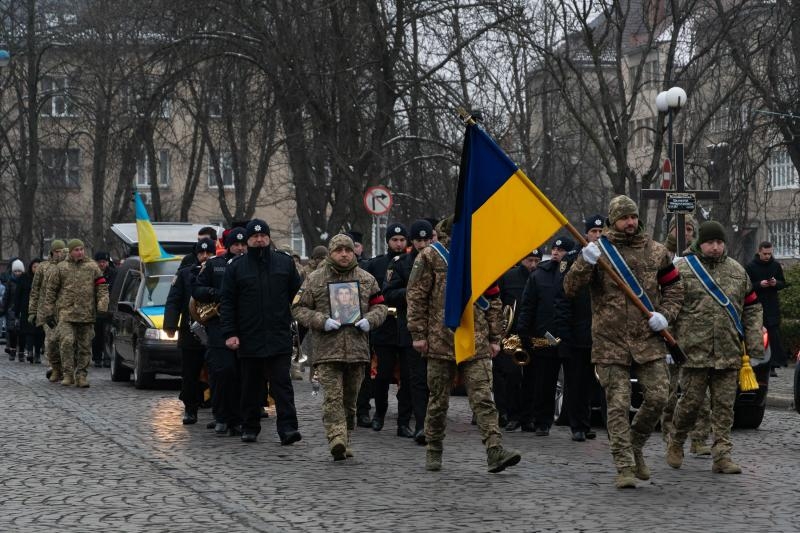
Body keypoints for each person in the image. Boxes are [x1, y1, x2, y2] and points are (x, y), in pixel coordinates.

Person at [563, 195, 683, 488]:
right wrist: (583, 263)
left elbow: (675, 288)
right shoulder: (597, 252)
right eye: (623, 218)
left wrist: (665, 316)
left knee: (658, 396)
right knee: (617, 404)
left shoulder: (657, 252)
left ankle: (636, 443)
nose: (630, 223)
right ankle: (624, 466)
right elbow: (569, 288)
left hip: (648, 338)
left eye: (633, 217)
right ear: (612, 221)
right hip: (610, 341)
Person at [406, 216, 521, 474]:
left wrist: (494, 337)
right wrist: (418, 334)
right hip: (440, 340)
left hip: (476, 341)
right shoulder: (430, 257)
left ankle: (495, 450)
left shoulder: (479, 257)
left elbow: (492, 300)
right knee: (438, 400)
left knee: (483, 398)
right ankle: (434, 449)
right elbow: (416, 297)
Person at [666, 221, 763, 474]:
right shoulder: (683, 269)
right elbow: (669, 305)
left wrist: (753, 346)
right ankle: (676, 441)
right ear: (700, 243)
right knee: (690, 403)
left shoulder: (737, 271)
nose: (716, 247)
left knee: (724, 408)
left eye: (720, 242)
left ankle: (722, 455)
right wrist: (668, 343)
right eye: (710, 242)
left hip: (729, 352)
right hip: (693, 351)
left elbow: (752, 308)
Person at [292, 233, 387, 460]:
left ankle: (347, 437)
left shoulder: (366, 279)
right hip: (327, 350)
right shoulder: (314, 279)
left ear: (354, 252)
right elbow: (298, 309)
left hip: (357, 350)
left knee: (350, 400)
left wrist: (370, 320)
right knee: (332, 397)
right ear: (331, 253)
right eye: (338, 250)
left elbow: (381, 307)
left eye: (347, 250)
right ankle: (336, 438)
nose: (344, 254)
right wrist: (321, 320)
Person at [220, 219, 303, 444]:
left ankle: (288, 428)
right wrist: (230, 333)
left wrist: (302, 324)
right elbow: (227, 303)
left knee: (282, 385)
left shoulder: (284, 264)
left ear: (268, 238)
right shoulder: (236, 267)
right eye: (254, 237)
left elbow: (298, 297)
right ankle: (249, 426)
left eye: (263, 236)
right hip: (248, 336)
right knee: (250, 385)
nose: (259, 240)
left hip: (278, 335)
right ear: (248, 240)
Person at [660, 216, 711, 455]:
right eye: (680, 229)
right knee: (668, 393)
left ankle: (699, 438)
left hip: (694, 334)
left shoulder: (698, 260)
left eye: (690, 229)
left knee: (697, 393)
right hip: (668, 331)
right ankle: (669, 435)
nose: (685, 233)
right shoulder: (659, 255)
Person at [552, 215, 605, 441]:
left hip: (600, 332)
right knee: (574, 381)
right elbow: (563, 297)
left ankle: (587, 422)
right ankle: (577, 425)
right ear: (586, 234)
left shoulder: (609, 259)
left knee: (593, 382)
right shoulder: (573, 259)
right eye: (594, 232)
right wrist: (564, 332)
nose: (598, 236)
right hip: (576, 330)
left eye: (601, 232)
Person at [383, 219, 434, 443]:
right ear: (412, 242)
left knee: (433, 380)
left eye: (426, 240)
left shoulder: (440, 262)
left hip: (435, 330)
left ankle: (428, 424)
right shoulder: (401, 264)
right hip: (410, 329)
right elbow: (388, 294)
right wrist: (413, 292)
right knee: (412, 378)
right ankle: (407, 422)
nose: (422, 244)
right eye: (418, 240)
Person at [193, 227, 248, 436]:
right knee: (222, 372)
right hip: (218, 326)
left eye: (243, 245)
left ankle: (238, 419)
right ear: (228, 246)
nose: (240, 248)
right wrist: (217, 294)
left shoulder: (251, 265)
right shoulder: (214, 265)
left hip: (244, 326)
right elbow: (197, 289)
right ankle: (221, 416)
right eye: (236, 245)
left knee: (242, 375)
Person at [517, 236, 574, 435]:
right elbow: (528, 305)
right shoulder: (539, 274)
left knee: (572, 383)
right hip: (545, 335)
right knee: (544, 382)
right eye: (554, 249)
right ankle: (542, 421)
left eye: (562, 250)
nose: (557, 252)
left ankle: (576, 423)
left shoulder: (576, 272)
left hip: (569, 336)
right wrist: (523, 331)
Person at [363, 222, 414, 436]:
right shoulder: (376, 265)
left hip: (406, 326)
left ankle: (403, 422)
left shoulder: (414, 264)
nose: (399, 244)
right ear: (388, 242)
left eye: (402, 240)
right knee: (382, 375)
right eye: (395, 240)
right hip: (384, 326)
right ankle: (379, 415)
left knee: (409, 376)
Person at [42, 239, 109, 388]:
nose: (80, 252)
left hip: (86, 314)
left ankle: (81, 376)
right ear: (70, 251)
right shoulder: (61, 268)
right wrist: (48, 311)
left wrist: (102, 306)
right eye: (76, 250)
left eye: (82, 249)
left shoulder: (92, 267)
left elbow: (102, 288)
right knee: (66, 342)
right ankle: (67, 374)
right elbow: (51, 291)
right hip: (66, 313)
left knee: (84, 347)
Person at [164, 238, 216, 424]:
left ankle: (219, 410)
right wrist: (170, 324)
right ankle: (190, 408)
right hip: (190, 331)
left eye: (208, 253)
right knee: (190, 373)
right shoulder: (185, 274)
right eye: (201, 253)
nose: (204, 256)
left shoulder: (220, 271)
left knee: (217, 372)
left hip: (214, 331)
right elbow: (174, 300)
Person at [497, 249, 541, 432]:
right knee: (512, 375)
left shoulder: (540, 276)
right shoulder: (508, 276)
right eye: (529, 260)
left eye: (536, 261)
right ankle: (512, 415)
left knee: (532, 377)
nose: (533, 265)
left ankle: (528, 417)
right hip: (512, 334)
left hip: (533, 334)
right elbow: (499, 303)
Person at [28, 240, 68, 382]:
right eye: (57, 251)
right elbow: (35, 290)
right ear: (51, 252)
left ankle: (66, 369)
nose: (59, 254)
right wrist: (32, 311)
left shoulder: (69, 267)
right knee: (51, 341)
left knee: (66, 341)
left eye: (62, 251)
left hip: (66, 311)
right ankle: (54, 367)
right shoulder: (43, 268)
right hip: (47, 311)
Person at [746, 241, 787, 375]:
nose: (767, 256)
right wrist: (759, 285)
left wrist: (776, 283)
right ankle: (758, 364)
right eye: (765, 254)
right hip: (756, 305)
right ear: (759, 252)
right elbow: (746, 286)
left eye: (770, 254)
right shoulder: (751, 266)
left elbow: (782, 283)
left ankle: (773, 366)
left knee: (774, 336)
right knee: (758, 336)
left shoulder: (775, 265)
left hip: (772, 305)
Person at [91, 251, 116, 368]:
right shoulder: (92, 273)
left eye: (104, 262)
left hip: (108, 309)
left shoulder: (113, 274)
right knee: (96, 335)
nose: (102, 264)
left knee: (107, 334)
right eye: (100, 262)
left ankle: (107, 357)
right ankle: (97, 357)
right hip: (95, 308)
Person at [20, 259, 44, 364]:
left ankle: (38, 354)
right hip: (27, 309)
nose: (36, 269)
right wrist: (17, 310)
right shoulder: (25, 278)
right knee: (29, 332)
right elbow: (19, 294)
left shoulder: (45, 279)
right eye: (34, 266)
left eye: (38, 267)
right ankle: (30, 351)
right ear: (31, 267)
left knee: (39, 333)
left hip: (41, 309)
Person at [3, 259, 25, 361]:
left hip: (22, 309)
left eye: (19, 271)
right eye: (15, 271)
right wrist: (4, 307)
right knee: (12, 331)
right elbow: (6, 296)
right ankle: (12, 351)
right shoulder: (10, 282)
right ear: (13, 271)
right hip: (11, 309)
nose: (17, 273)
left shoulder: (25, 281)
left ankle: (21, 352)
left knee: (21, 331)